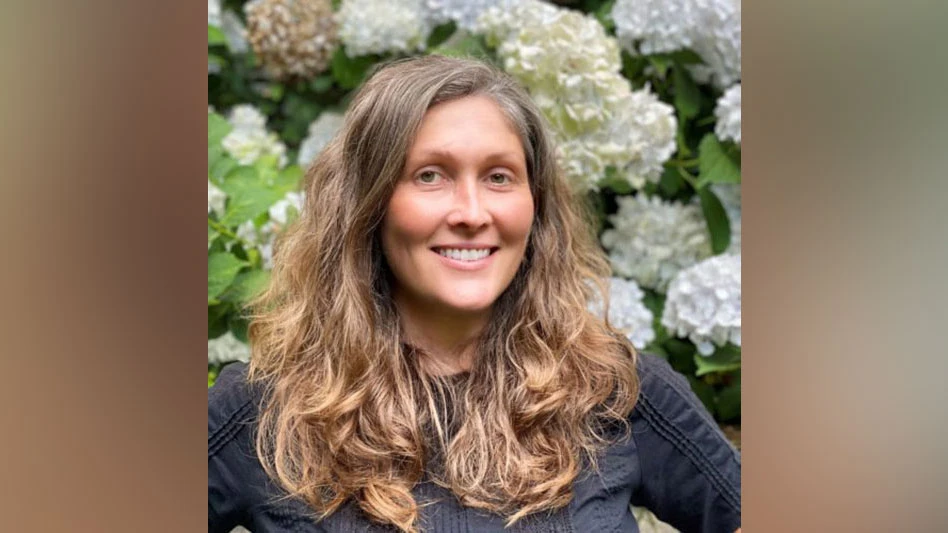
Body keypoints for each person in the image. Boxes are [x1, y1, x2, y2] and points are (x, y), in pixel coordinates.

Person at [209, 55, 741, 533]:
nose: (471, 212)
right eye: (430, 175)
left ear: (535, 207)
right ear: (366, 204)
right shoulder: (267, 414)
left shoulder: (615, 392)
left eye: (499, 177)